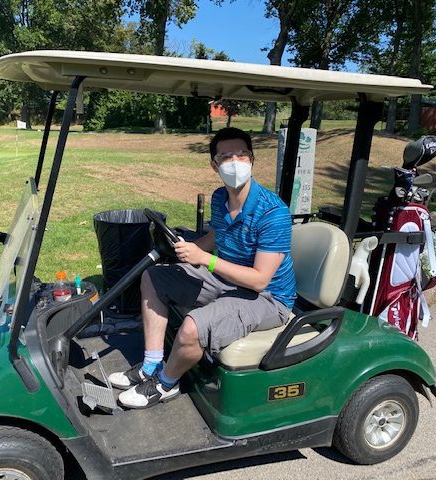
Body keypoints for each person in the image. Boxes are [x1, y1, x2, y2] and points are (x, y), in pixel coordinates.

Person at [109, 127, 296, 409]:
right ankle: (151, 364)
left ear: (252, 160)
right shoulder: (221, 198)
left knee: (191, 328)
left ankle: (165, 384)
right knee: (153, 277)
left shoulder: (273, 213)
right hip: (229, 279)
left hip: (268, 298)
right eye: (226, 156)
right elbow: (218, 235)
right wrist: (189, 248)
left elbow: (259, 280)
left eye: (242, 154)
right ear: (214, 165)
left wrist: (204, 259)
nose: (235, 161)